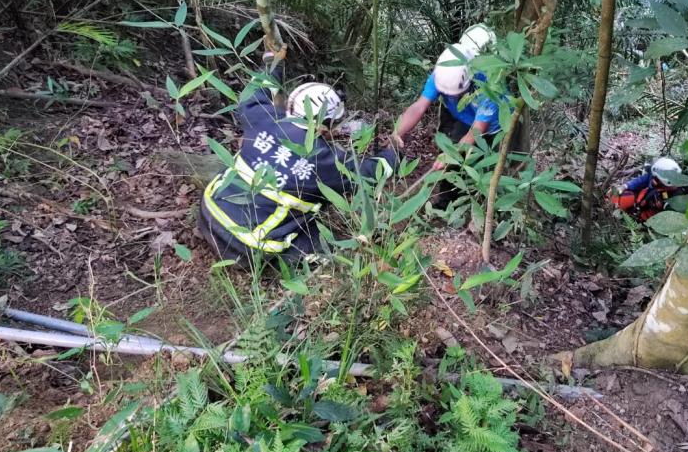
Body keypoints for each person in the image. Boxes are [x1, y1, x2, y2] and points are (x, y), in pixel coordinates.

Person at [199, 69, 398, 269]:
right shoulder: (324, 161)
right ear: (326, 123)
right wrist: (393, 154)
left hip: (208, 214)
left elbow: (257, 87)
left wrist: (274, 63)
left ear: (290, 105)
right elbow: (371, 173)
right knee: (333, 251)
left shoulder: (263, 117)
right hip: (246, 247)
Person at [392, 24, 507, 170]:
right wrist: (397, 133)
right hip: (462, 120)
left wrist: (452, 153)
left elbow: (478, 129)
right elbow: (420, 106)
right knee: (450, 171)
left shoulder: (490, 83)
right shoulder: (446, 69)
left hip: (493, 129)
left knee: (489, 173)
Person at [611, 157, 683, 223]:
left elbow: (670, 215)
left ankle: (636, 221)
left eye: (656, 179)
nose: (653, 180)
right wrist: (625, 186)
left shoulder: (676, 196)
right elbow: (641, 180)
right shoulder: (654, 177)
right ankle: (616, 209)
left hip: (653, 212)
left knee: (648, 217)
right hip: (641, 199)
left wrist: (663, 207)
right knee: (620, 198)